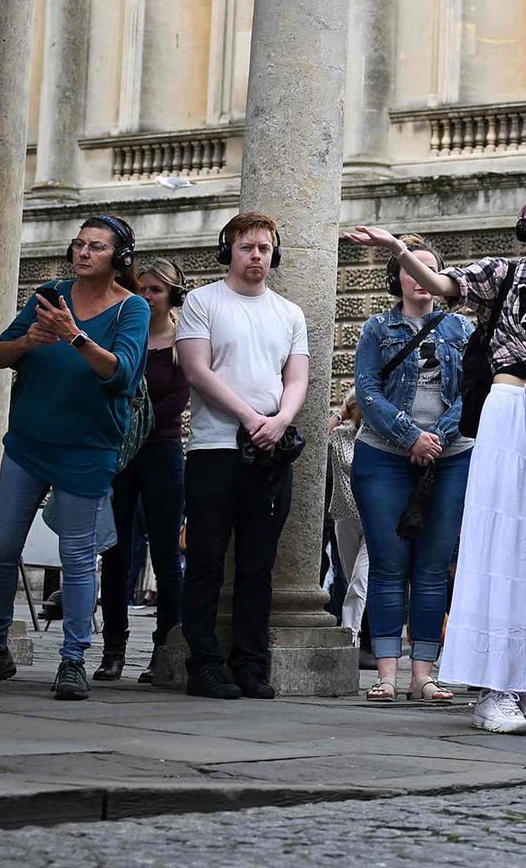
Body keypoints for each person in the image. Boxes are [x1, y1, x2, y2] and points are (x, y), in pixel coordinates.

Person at [345, 189, 526, 736]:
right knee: (500, 543)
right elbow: (444, 287)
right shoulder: (501, 273)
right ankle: (492, 688)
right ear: (524, 224)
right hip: (509, 408)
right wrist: (397, 247)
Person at [0, 215, 149, 701]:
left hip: (87, 448)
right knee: (0, 548)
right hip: (29, 442)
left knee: (77, 557)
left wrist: (74, 335)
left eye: (96, 247)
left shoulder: (132, 309)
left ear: (118, 259)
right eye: (78, 245)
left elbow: (121, 374)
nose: (82, 253)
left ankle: (73, 659)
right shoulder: (50, 292)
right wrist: (29, 341)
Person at [176, 212, 309, 700]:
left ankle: (249, 664)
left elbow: (297, 378)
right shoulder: (201, 301)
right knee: (207, 559)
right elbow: (196, 370)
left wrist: (277, 422)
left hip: (269, 452)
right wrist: (252, 418)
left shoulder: (289, 312)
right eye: (247, 247)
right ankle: (204, 663)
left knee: (258, 564)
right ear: (228, 250)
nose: (257, 256)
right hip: (214, 448)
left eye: (265, 249)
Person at [351, 237, 473, 703]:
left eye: (429, 268)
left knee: (432, 567)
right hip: (382, 455)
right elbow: (367, 391)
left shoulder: (461, 329)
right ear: (398, 277)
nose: (420, 276)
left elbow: (473, 389)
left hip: (451, 454)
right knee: (386, 565)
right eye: (410, 267)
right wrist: (410, 437)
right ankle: (385, 673)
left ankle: (423, 674)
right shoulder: (377, 328)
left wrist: (437, 437)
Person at [95, 256, 190, 686]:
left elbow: (181, 398)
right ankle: (113, 648)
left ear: (171, 293)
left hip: (163, 450)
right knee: (115, 552)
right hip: (120, 452)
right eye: (143, 289)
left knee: (166, 554)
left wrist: (141, 422)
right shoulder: (124, 332)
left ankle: (163, 648)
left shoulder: (183, 338)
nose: (148, 296)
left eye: (155, 290)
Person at [327, 390, 369, 656]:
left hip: (373, 517)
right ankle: (355, 635)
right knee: (349, 575)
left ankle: (350, 636)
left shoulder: (379, 439)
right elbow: (317, 438)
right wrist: (339, 412)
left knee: (360, 579)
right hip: (344, 517)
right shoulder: (341, 436)